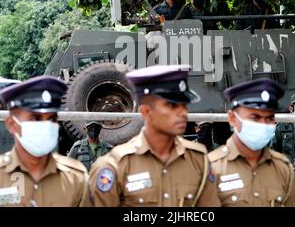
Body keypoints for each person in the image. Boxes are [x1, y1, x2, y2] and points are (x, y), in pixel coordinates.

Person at [89, 65, 221, 207]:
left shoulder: (199, 161)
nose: (183, 112)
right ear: (146, 111)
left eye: (184, 105)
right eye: (172, 105)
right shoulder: (114, 167)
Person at [0, 75, 89, 207]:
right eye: (35, 118)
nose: (45, 125)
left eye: (51, 119)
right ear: (11, 124)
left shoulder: (76, 178)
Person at [208, 79, 295, 206]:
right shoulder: (211, 168)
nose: (263, 124)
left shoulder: (283, 169)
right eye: (255, 117)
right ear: (233, 118)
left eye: (269, 118)